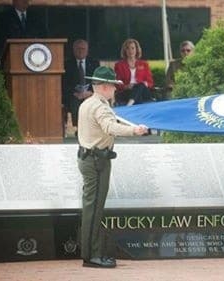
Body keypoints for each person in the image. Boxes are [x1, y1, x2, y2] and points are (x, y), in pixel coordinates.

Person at [77, 66, 148, 268]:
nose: (116, 89)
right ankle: (92, 256)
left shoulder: (88, 103)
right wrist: (134, 130)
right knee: (94, 209)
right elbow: (111, 127)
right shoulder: (100, 106)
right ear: (106, 87)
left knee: (91, 207)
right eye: (114, 86)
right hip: (96, 160)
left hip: (88, 158)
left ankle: (92, 253)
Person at [62, 39, 100, 134]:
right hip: (73, 95)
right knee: (75, 103)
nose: (80, 51)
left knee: (94, 103)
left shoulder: (94, 63)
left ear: (87, 50)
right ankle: (79, 128)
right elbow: (64, 84)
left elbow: (97, 81)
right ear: (74, 50)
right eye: (78, 49)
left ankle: (92, 129)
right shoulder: (67, 64)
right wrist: (75, 93)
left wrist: (90, 92)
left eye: (83, 49)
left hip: (90, 93)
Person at [0, 0, 47, 64]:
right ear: (14, 1)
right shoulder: (4, 17)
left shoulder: (36, 16)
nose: (25, 1)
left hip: (33, 57)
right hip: (12, 58)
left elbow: (44, 36)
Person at [114, 38, 154, 106]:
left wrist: (142, 84)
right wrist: (126, 86)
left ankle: (129, 105)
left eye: (133, 48)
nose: (130, 51)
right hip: (127, 91)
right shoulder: (119, 65)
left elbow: (150, 82)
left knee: (140, 86)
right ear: (125, 50)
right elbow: (117, 83)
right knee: (138, 96)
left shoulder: (144, 64)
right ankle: (133, 104)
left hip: (143, 90)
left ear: (136, 50)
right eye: (128, 48)